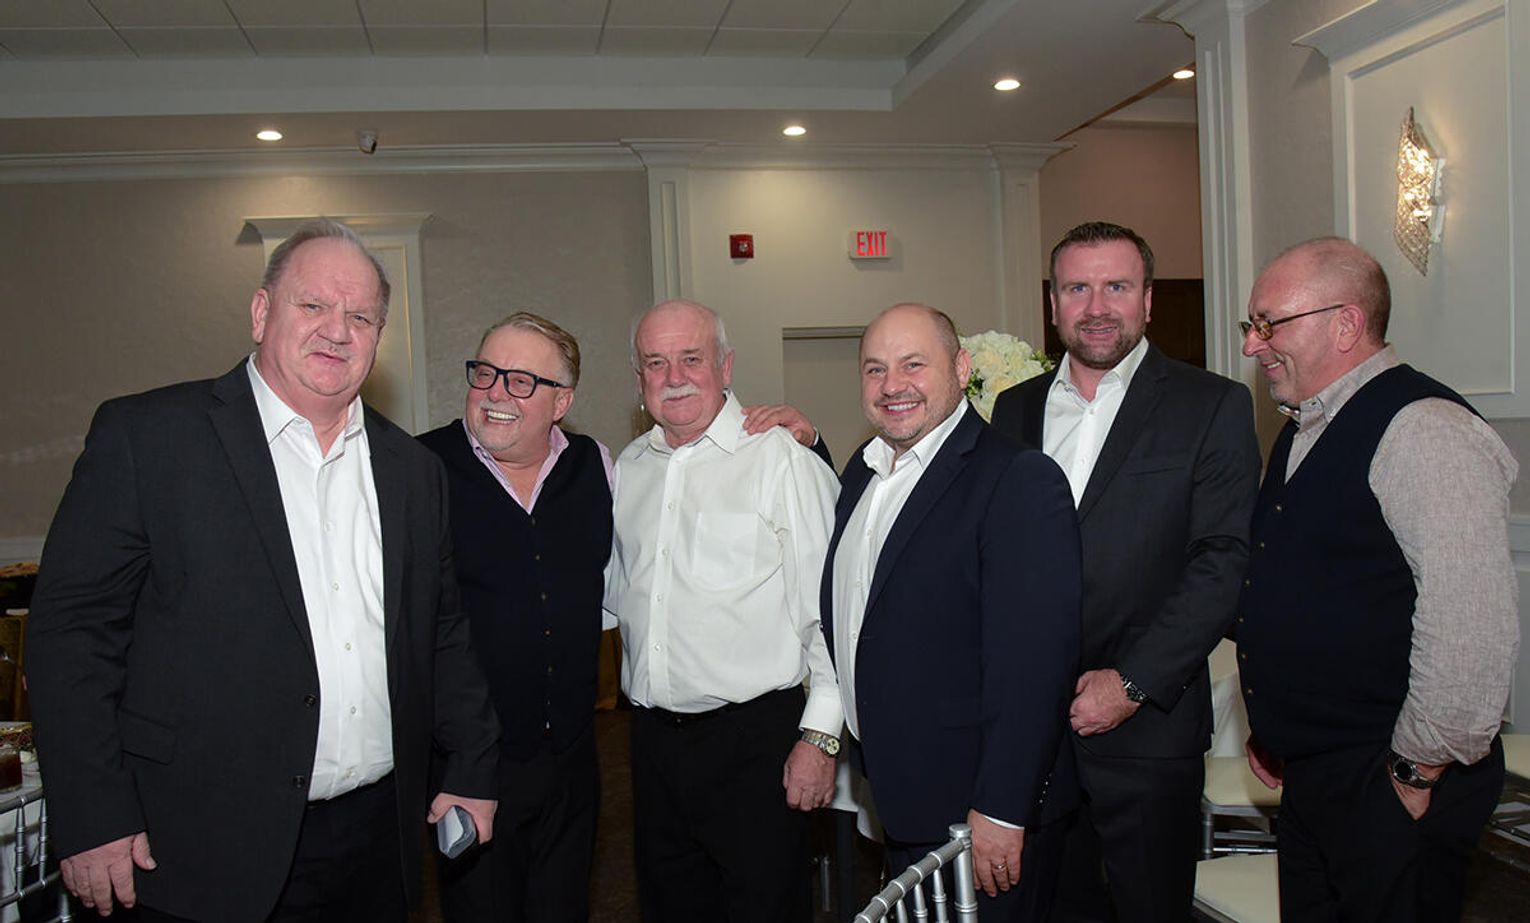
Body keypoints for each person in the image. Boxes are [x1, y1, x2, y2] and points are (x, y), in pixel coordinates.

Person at [25, 219, 500, 923]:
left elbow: (442, 633)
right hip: (194, 846)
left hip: (375, 843)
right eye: (313, 305)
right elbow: (72, 637)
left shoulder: (413, 471)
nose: (337, 330)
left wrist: (470, 765)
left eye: (360, 316)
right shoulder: (149, 439)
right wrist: (93, 811)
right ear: (260, 312)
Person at [1237, 237, 1518, 921]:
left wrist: (1415, 771)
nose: (1252, 344)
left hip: (1388, 777)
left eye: (1269, 324)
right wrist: (1283, 731)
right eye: (1251, 324)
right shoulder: (1302, 427)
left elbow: (1469, 629)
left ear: (1345, 324)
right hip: (1318, 774)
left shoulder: (1425, 429)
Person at [990, 221, 1260, 922]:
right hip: (1031, 735)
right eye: (1077, 288)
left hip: (1148, 730)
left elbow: (1223, 561)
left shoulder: (1211, 404)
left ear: (1148, 300)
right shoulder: (1013, 409)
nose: (1096, 307)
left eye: (1116, 286)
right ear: (1053, 303)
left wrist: (1132, 682)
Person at [824, 302, 1082, 921]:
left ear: (961, 368)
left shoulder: (1017, 479)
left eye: (914, 364)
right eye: (875, 369)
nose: (893, 385)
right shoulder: (861, 474)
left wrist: (1001, 808)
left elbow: (1035, 665)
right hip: (902, 796)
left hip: (980, 815)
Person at [604, 298, 843, 923]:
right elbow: (618, 596)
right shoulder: (630, 469)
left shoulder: (780, 459)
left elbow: (829, 614)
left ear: (726, 366)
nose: (674, 377)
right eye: (656, 362)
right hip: (653, 746)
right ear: (638, 377)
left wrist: (820, 738)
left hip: (755, 747)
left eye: (692, 358)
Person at [418, 312, 612, 923]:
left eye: (522, 380)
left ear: (563, 402)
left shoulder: (598, 467)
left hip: (573, 760)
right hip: (469, 766)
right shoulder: (420, 469)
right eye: (486, 373)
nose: (496, 393)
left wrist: (801, 435)